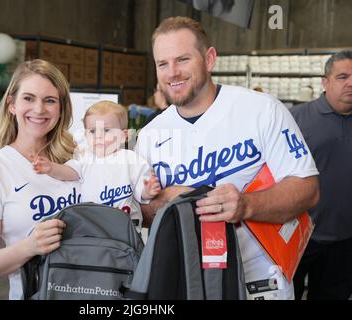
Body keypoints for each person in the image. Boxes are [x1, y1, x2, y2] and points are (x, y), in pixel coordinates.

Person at [135, 16, 320, 300]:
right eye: (163, 63)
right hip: (186, 281)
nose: (172, 72)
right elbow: (140, 214)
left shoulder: (261, 109)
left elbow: (307, 189)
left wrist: (246, 205)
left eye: (183, 59)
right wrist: (167, 203)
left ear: (209, 59)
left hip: (258, 283)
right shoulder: (150, 135)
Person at [0, 59, 81, 299]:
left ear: (61, 108)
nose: (39, 109)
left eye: (50, 100)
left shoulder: (79, 159)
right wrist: (30, 246)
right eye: (29, 98)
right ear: (12, 105)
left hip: (95, 290)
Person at [32, 100, 161, 230]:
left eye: (106, 130)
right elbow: (68, 172)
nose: (98, 136)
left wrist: (148, 191)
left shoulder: (131, 159)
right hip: (93, 227)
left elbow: (141, 191)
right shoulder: (83, 157)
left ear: (123, 136)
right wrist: (51, 168)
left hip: (126, 230)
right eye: (92, 131)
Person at [290, 51, 352, 300]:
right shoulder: (296, 119)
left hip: (345, 240)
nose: (350, 83)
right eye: (342, 76)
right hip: (298, 236)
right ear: (325, 82)